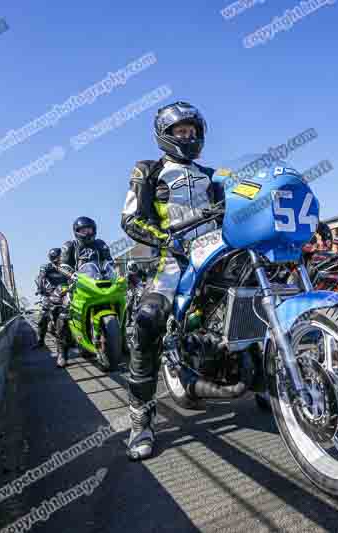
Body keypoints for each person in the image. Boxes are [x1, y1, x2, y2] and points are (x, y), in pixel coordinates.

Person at [120, 101, 223, 460]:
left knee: (256, 299)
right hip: (172, 263)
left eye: (193, 131)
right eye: (181, 131)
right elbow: (132, 220)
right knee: (147, 323)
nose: (188, 137)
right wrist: (167, 239)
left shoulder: (214, 175)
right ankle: (140, 421)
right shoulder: (147, 171)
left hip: (217, 258)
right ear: (165, 135)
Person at [55, 216, 113, 367]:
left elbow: (109, 261)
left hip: (99, 283)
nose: (87, 232)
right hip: (77, 286)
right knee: (64, 313)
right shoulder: (70, 246)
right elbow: (62, 265)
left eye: (90, 229)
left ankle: (122, 344)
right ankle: (62, 353)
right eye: (84, 230)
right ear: (77, 231)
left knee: (120, 302)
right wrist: (70, 274)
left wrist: (111, 270)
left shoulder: (100, 244)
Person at [33, 248, 70, 349]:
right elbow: (41, 277)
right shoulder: (46, 267)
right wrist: (41, 288)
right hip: (51, 294)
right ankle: (40, 341)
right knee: (43, 316)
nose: (57, 259)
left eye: (59, 256)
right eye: (54, 257)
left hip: (67, 293)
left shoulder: (67, 267)